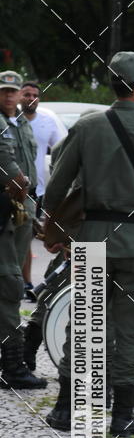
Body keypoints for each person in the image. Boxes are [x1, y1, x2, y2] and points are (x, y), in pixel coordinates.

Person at [44, 51, 134, 435]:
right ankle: (123, 416)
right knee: (130, 330)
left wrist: (54, 225)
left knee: (85, 325)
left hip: (92, 241)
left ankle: (66, 411)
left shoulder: (89, 127)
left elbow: (57, 185)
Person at [0, 70, 46, 390]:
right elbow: (15, 174)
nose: (8, 96)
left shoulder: (22, 124)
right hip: (6, 215)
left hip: (21, 214)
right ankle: (13, 368)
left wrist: (33, 210)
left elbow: (29, 173)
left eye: (12, 92)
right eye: (3, 92)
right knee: (9, 286)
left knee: (10, 284)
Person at [19, 81, 67, 295]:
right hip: (11, 189)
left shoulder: (47, 121)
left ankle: (26, 282)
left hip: (35, 191)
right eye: (26, 94)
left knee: (26, 237)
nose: (31, 98)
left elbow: (62, 152)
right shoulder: (10, 121)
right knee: (18, 238)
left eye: (34, 95)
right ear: (20, 96)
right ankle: (22, 282)